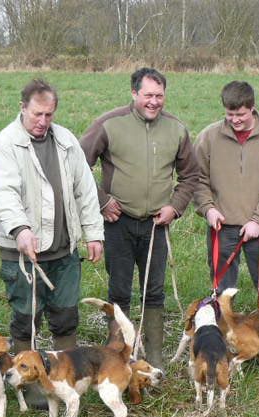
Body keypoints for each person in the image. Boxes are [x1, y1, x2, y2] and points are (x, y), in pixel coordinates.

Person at [80, 67, 198, 369]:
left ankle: (154, 358)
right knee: (119, 290)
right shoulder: (109, 124)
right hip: (118, 222)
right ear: (134, 94)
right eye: (148, 95)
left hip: (156, 225)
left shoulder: (177, 130)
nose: (154, 102)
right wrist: (102, 201)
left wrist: (175, 206)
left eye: (159, 96)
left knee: (154, 292)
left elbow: (190, 175)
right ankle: (117, 356)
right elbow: (78, 166)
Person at [0, 79, 104, 357]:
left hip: (64, 252)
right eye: (36, 114)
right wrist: (20, 229)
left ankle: (66, 374)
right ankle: (28, 380)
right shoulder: (5, 145)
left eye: (48, 115)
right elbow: (4, 194)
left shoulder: (66, 141)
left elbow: (84, 189)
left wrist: (94, 232)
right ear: (23, 108)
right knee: (27, 318)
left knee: (66, 316)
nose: (42, 121)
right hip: (24, 254)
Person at [194, 81, 259, 310]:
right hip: (221, 226)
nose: (235, 120)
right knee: (222, 291)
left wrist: (258, 221)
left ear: (252, 108)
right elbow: (198, 179)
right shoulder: (208, 137)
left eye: (241, 114)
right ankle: (222, 337)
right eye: (230, 114)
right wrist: (208, 208)